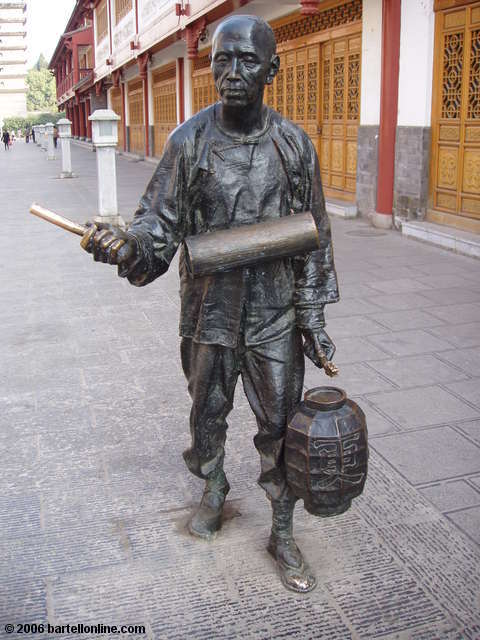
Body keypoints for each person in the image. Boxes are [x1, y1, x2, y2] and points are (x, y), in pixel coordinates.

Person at [81, 15, 339, 593]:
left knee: (281, 425)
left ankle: (280, 528)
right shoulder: (188, 143)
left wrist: (314, 318)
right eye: (222, 60)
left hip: (275, 315)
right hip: (210, 312)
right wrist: (128, 245)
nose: (232, 74)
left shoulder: (294, 145)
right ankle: (213, 481)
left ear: (272, 70)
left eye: (248, 61)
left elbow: (314, 236)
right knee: (206, 411)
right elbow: (158, 225)